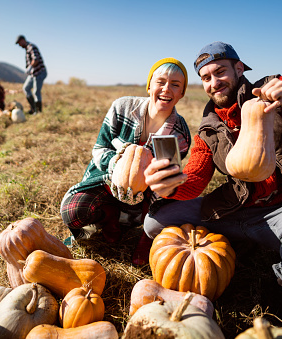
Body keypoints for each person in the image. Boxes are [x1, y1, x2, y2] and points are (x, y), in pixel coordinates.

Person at [143, 42, 282, 323]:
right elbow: (196, 176)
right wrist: (172, 185)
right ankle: (242, 243)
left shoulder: (278, 91)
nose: (214, 83)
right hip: (238, 208)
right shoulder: (209, 126)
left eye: (220, 72)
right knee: (155, 221)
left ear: (239, 68)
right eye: (206, 78)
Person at [60, 58, 191, 265]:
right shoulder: (122, 107)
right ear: (149, 86)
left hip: (146, 192)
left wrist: (153, 178)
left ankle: (146, 236)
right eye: (161, 82)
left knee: (164, 201)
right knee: (74, 211)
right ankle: (110, 219)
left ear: (182, 93)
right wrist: (118, 165)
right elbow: (99, 149)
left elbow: (166, 178)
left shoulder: (178, 132)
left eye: (175, 85)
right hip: (106, 179)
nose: (167, 89)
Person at [15, 35, 47, 114]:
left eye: (19, 43)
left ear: (22, 40)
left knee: (36, 92)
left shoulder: (31, 47)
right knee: (26, 88)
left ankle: (38, 111)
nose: (19, 45)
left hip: (39, 72)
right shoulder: (27, 49)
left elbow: (35, 59)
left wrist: (30, 67)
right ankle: (33, 108)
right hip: (33, 74)